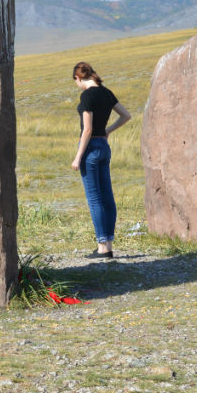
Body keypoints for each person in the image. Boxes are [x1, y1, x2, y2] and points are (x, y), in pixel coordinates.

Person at [70, 62, 132, 259]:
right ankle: (109, 244)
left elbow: (87, 130)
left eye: (76, 82)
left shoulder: (87, 95)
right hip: (104, 148)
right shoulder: (106, 92)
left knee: (95, 198)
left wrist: (78, 157)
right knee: (107, 196)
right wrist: (107, 131)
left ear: (78, 78)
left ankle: (102, 247)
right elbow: (126, 115)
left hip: (90, 149)